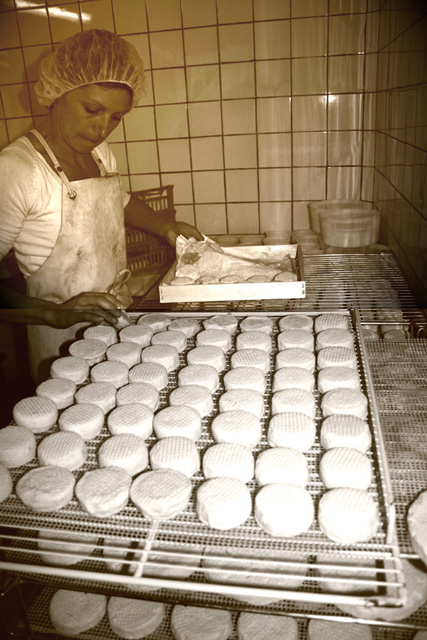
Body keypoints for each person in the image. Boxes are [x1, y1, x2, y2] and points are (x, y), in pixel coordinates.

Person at [0, 29, 202, 382]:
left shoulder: (98, 154)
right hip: (61, 344)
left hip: (115, 323)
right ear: (57, 95)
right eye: (93, 109)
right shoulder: (17, 170)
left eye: (116, 117)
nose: (102, 128)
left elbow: (118, 201)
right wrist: (55, 314)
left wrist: (165, 227)